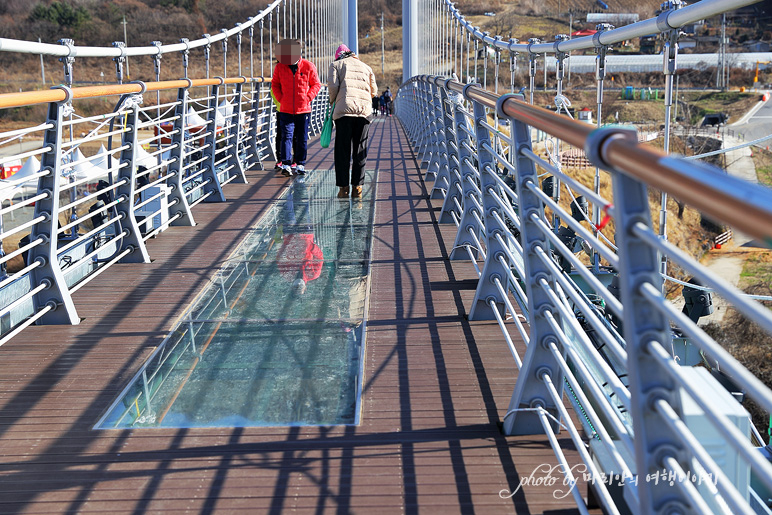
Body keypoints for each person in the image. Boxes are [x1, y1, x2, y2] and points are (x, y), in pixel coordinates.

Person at [327, 43, 377, 199]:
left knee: (342, 151)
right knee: (360, 150)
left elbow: (333, 87)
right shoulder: (366, 67)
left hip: (344, 112)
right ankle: (358, 188)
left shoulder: (335, 65)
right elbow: (374, 91)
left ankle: (343, 189)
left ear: (338, 56)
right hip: (363, 112)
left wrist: (333, 102)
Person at [271, 39, 321, 177]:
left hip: (303, 109)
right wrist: (281, 99)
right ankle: (286, 164)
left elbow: (316, 84)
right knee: (286, 136)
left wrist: (308, 97)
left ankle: (300, 163)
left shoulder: (308, 66)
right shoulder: (280, 67)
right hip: (286, 108)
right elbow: (274, 84)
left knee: (301, 137)